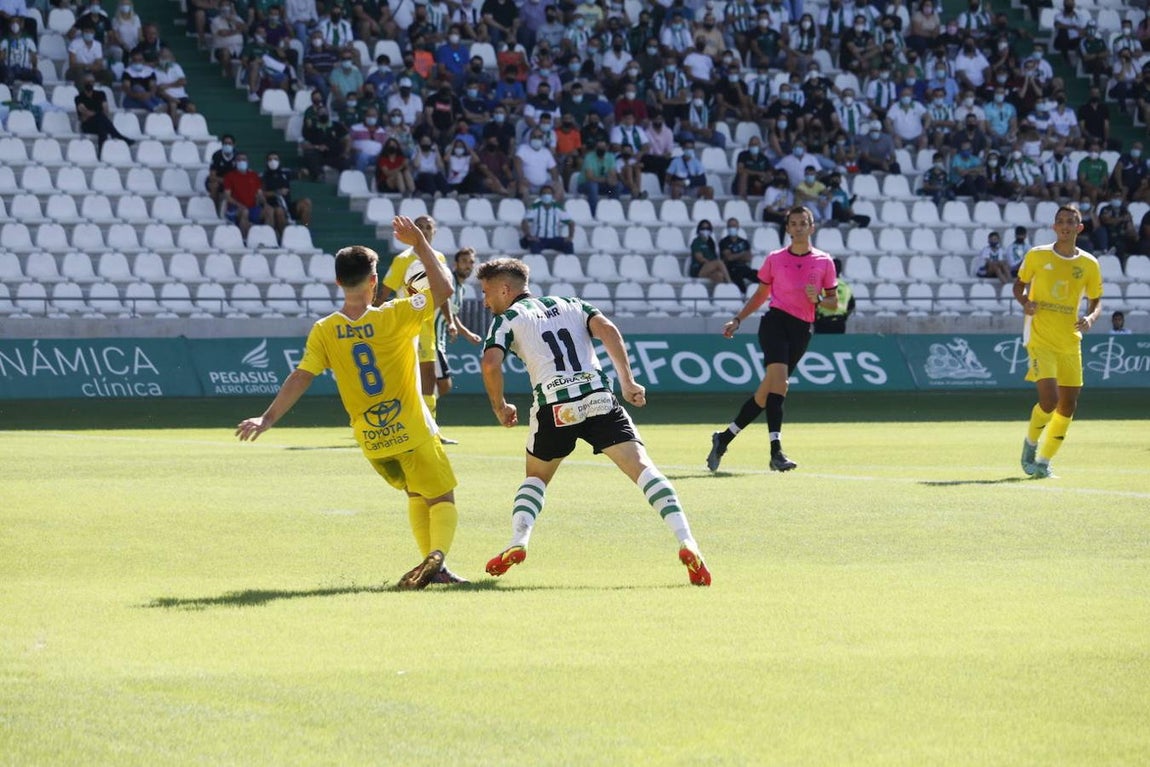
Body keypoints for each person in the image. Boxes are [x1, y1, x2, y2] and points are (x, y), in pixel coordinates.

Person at [236, 218, 464, 589]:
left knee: (415, 493)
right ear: (375, 281)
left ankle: (431, 567)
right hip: (412, 428)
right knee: (442, 497)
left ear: (338, 282)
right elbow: (444, 288)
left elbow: (301, 376)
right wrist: (420, 243)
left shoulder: (325, 329)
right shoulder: (397, 314)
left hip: (373, 440)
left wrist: (266, 418)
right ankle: (437, 557)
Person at [476, 257, 712, 587]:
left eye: (487, 293)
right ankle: (688, 542)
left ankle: (518, 540)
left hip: (555, 407)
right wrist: (627, 381)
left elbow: (489, 364)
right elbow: (608, 330)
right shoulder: (572, 302)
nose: (486, 301)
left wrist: (500, 406)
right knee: (643, 468)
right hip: (598, 397)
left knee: (536, 477)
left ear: (505, 289)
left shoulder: (509, 318)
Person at [706, 206, 838, 473]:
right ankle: (776, 452)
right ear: (787, 228)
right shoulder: (775, 259)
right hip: (775, 322)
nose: (799, 227)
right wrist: (738, 319)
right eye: (794, 223)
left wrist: (819, 299)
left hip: (803, 328)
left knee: (766, 393)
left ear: (812, 227)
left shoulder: (825, 261)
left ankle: (725, 438)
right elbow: (760, 295)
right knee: (781, 382)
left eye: (804, 223)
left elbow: (834, 303)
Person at [1014, 204, 1103, 479]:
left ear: (1079, 228)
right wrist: (1025, 302)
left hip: (1070, 340)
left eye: (1070, 222)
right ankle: (1030, 444)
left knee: (1068, 405)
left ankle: (1043, 461)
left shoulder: (1089, 263)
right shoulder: (1037, 255)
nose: (1065, 226)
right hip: (1040, 337)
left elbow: (1096, 300)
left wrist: (1090, 317)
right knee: (1050, 400)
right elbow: (1019, 285)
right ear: (1054, 227)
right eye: (1060, 221)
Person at [380, 215, 454, 428]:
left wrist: (450, 321)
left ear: (434, 232)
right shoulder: (403, 259)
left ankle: (430, 429)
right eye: (419, 227)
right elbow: (384, 292)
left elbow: (443, 293)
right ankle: (397, 423)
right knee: (405, 378)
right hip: (406, 324)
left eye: (427, 227)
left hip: (427, 325)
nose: (423, 230)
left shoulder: (438, 258)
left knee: (429, 378)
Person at [519, 185, 574, 254]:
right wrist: (529, 235)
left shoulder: (558, 207)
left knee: (568, 244)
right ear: (540, 196)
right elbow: (524, 221)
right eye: (544, 193)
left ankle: (568, 264)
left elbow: (571, 223)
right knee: (534, 246)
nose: (546, 195)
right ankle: (539, 264)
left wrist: (570, 236)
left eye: (549, 193)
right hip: (538, 239)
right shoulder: (535, 207)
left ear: (553, 195)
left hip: (554, 239)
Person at [814, 258, 855, 334]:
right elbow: (851, 306)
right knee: (838, 345)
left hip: (822, 322)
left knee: (822, 345)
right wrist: (844, 317)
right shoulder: (846, 287)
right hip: (839, 323)